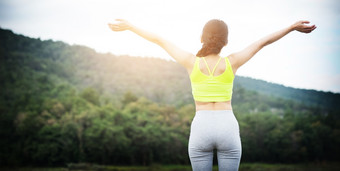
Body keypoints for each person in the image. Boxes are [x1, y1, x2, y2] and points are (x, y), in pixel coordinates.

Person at [108, 19, 316, 171]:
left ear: (201, 39)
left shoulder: (191, 62)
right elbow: (262, 42)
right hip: (227, 126)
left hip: (201, 126)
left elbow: (160, 40)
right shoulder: (231, 62)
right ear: (225, 41)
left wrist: (131, 27)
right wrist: (291, 28)